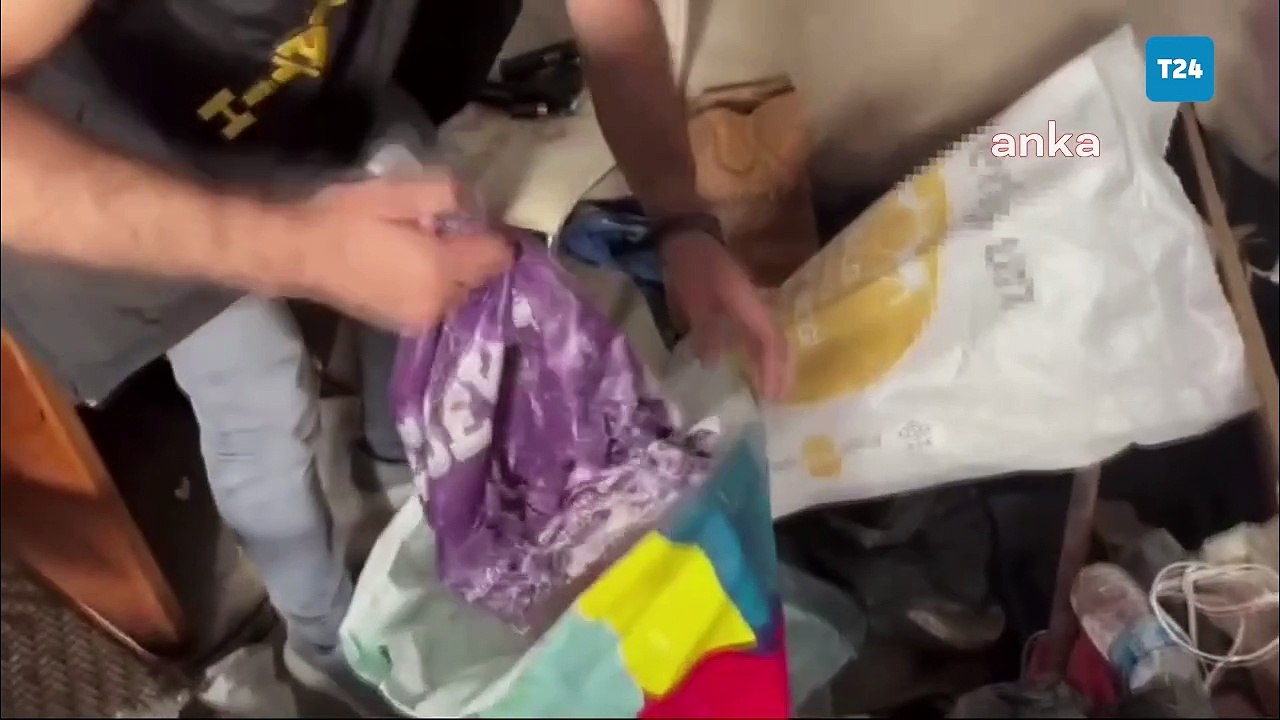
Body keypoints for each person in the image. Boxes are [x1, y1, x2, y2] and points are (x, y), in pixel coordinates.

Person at [0, 0, 786, 711]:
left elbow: (614, 20)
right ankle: (321, 645)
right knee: (257, 397)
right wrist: (297, 251)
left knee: (436, 247)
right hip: (114, 163)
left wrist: (681, 221)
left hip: (304, 91)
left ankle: (398, 474)